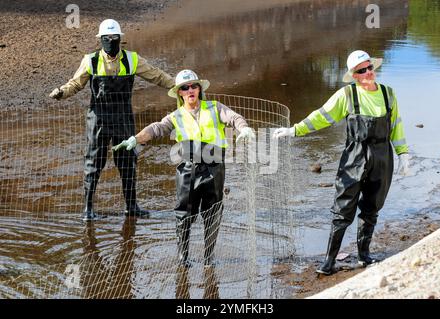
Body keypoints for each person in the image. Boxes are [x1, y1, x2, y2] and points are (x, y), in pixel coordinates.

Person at [273, 50, 409, 275]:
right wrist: (294, 130)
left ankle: (364, 256)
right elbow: (321, 116)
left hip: (383, 156)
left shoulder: (389, 94)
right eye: (361, 70)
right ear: (354, 75)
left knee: (372, 207)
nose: (367, 73)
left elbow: (397, 126)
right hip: (354, 156)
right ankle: (329, 261)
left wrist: (403, 154)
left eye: (369, 68)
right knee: (343, 208)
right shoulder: (346, 95)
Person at [113, 69, 255, 267]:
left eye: (194, 86)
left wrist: (244, 127)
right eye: (185, 87)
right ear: (179, 92)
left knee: (213, 212)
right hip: (187, 170)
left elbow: (234, 117)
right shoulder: (176, 116)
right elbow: (156, 128)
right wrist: (135, 139)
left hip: (214, 168)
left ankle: (208, 258)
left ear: (199, 89)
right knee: (183, 214)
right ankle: (183, 256)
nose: (190, 90)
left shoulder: (215, 107)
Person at [49, 19, 175, 221]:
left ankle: (131, 207)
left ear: (120, 39)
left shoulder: (132, 60)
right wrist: (61, 92)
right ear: (100, 40)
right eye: (106, 38)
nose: (111, 41)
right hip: (98, 119)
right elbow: (76, 83)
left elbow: (156, 75)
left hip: (123, 118)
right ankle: (88, 209)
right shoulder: (90, 60)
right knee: (93, 162)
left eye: (114, 38)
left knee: (128, 161)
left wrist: (178, 86)